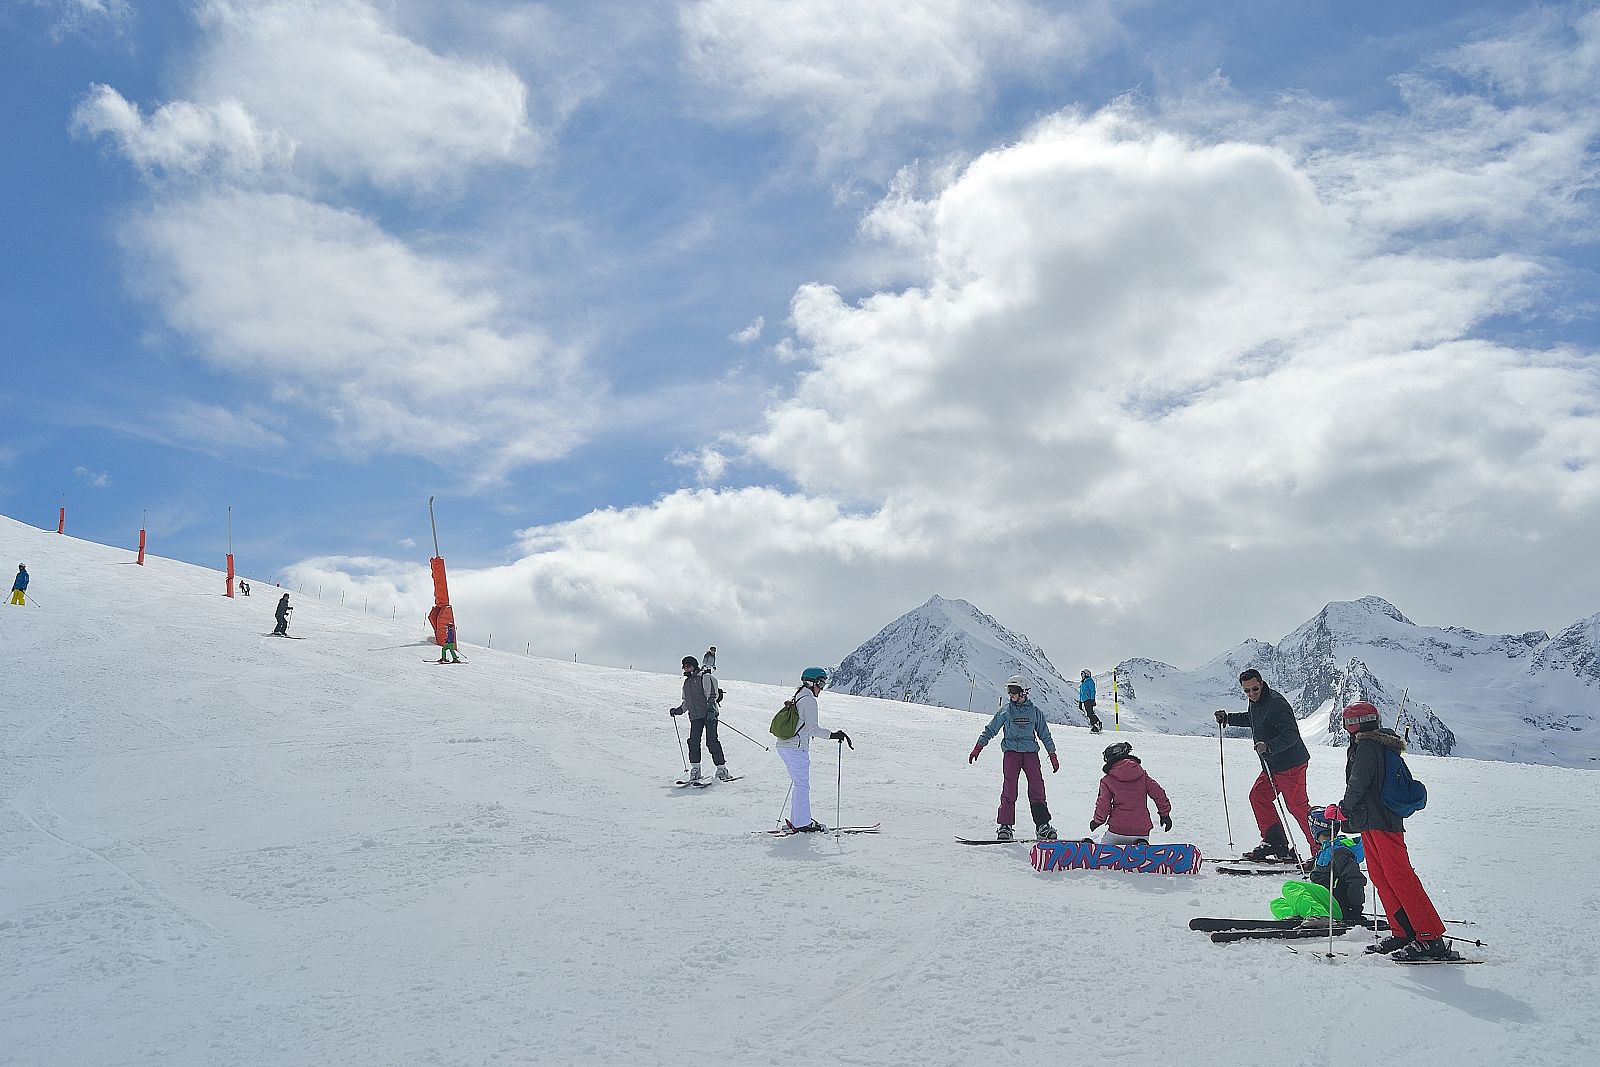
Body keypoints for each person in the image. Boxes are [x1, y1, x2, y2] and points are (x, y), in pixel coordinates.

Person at [1330, 701, 1461, 961]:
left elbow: (1358, 783)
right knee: (1383, 877)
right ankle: (1403, 931)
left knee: (1399, 877)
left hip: (1382, 822)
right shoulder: (1371, 744)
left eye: (1346, 722)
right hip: (1371, 822)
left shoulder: (1367, 746)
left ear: (1353, 724)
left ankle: (1429, 937)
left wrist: (1343, 808)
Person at [1215, 668, 1313, 862]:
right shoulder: (1256, 702)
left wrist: (1269, 746)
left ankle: (1321, 851)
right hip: (1272, 765)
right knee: (1258, 796)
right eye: (1247, 691)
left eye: (1254, 689)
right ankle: (1275, 842)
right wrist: (1228, 718)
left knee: (1296, 806)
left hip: (1291, 764)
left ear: (1261, 683)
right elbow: (1254, 719)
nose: (1251, 694)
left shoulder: (1276, 704)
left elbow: (1291, 735)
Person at [969, 675, 1059, 841]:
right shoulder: (1005, 711)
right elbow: (991, 729)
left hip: (1030, 754)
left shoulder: (1034, 712)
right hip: (1011, 754)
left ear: (1024, 692)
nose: (1011, 694)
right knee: (1009, 789)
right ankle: (1005, 825)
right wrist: (978, 747)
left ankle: (1042, 826)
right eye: (1009, 690)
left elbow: (1045, 734)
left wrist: (1052, 754)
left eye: (1014, 690)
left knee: (1037, 788)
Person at [774, 667, 851, 831]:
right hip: (795, 748)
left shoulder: (799, 696)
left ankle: (798, 820)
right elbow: (812, 729)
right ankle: (802, 823)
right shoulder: (809, 700)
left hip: (785, 746)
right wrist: (834, 735)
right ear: (812, 682)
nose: (822, 687)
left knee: (799, 784)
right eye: (821, 683)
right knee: (802, 785)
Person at [1088, 741, 1171, 844]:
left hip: (1117, 830)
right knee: (1138, 855)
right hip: (1142, 830)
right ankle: (1141, 849)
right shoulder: (1142, 775)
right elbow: (1159, 793)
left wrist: (1097, 821)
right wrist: (1165, 815)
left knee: (1105, 854)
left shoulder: (1107, 780)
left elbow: (1103, 804)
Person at [670, 655, 732, 784]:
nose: (686, 668)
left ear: (694, 665)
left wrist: (710, 710)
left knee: (711, 741)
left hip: (709, 715)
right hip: (695, 716)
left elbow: (712, 695)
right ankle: (696, 769)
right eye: (685, 666)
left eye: (689, 665)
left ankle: (722, 769)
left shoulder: (705, 677)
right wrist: (678, 710)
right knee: (693, 742)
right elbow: (686, 702)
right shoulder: (686, 683)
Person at [1078, 669, 1103, 733]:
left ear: (1086, 674)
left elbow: (1092, 691)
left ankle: (1097, 725)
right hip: (1085, 700)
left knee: (1090, 713)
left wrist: (1093, 700)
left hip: (1089, 699)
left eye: (1083, 674)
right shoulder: (1083, 683)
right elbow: (1081, 693)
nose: (1081, 676)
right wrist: (1080, 702)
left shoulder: (1089, 681)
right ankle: (1095, 726)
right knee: (1089, 714)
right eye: (1081, 674)